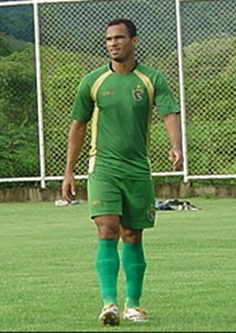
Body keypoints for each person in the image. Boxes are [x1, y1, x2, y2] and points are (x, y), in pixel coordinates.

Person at [61, 18, 183, 326]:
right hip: (103, 167)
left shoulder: (151, 79)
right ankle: (109, 304)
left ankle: (134, 304)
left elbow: (169, 112)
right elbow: (77, 125)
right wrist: (69, 172)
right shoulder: (92, 81)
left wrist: (176, 146)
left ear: (134, 41)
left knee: (132, 234)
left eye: (118, 38)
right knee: (107, 230)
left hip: (138, 169)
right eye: (108, 39)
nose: (112, 43)